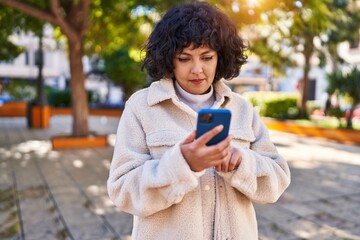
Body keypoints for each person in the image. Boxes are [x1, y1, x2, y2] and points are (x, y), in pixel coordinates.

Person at [107, 2, 291, 239]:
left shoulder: (243, 108)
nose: (197, 69)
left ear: (220, 57)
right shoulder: (142, 107)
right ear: (169, 59)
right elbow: (122, 191)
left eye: (206, 57)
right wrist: (183, 164)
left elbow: (278, 179)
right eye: (184, 58)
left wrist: (240, 163)